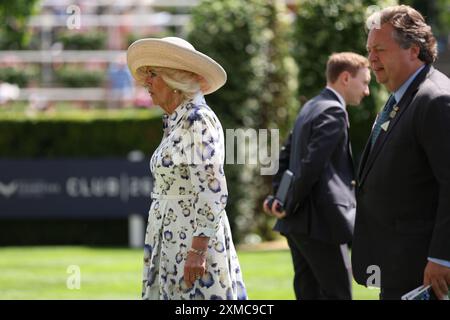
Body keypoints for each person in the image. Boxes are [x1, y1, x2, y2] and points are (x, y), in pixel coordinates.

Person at [127, 37, 247, 300]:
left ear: (174, 80)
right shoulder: (176, 121)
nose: (146, 82)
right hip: (171, 241)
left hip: (190, 245)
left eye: (153, 74)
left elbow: (212, 190)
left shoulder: (197, 119)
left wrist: (197, 251)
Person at [352, 5, 450, 300]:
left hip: (424, 271)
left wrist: (443, 258)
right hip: (399, 266)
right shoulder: (402, 98)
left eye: (380, 49)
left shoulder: (435, 99)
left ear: (414, 49)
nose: (371, 59)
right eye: (369, 50)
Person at [263, 52, 371, 299]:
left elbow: (285, 156)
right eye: (364, 82)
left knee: (308, 293)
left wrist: (278, 199)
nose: (366, 91)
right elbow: (311, 165)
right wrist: (286, 203)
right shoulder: (334, 111)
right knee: (338, 294)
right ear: (345, 78)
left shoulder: (310, 106)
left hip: (299, 223)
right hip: (322, 223)